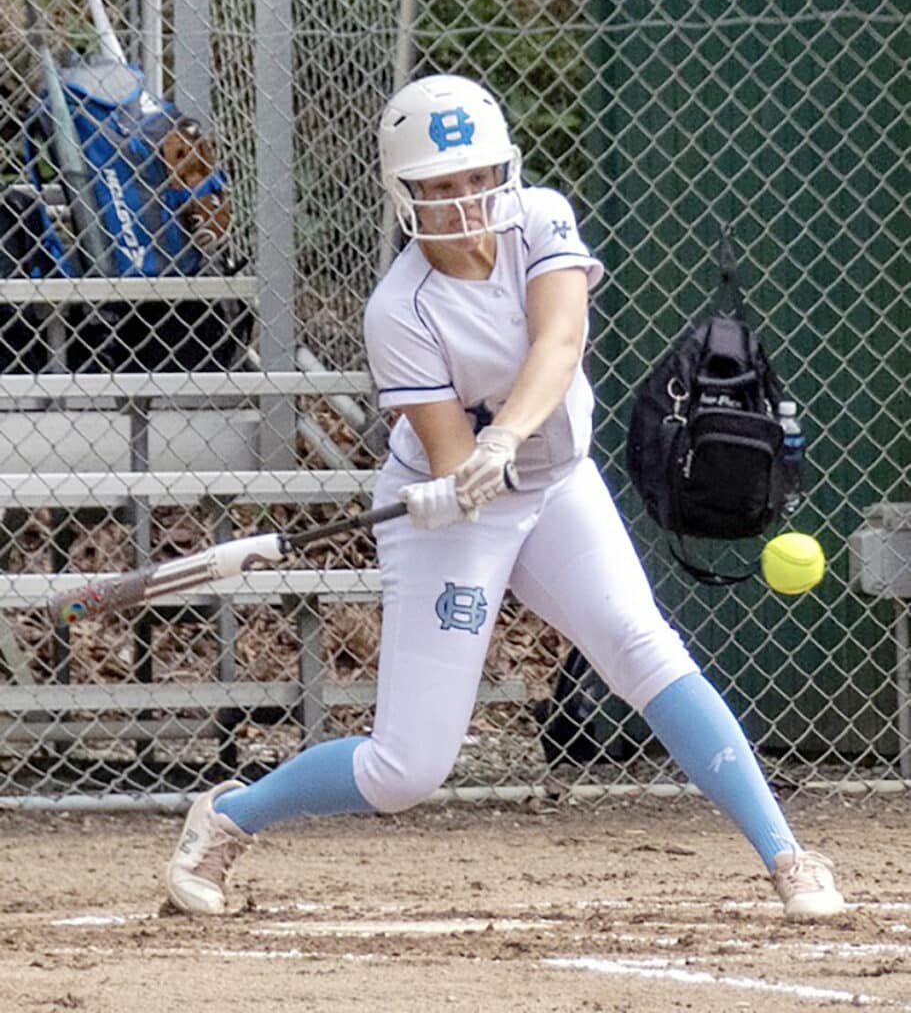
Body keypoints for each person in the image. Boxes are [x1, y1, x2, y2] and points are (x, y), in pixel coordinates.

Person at [165, 73, 845, 921]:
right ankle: (228, 817)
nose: (464, 203)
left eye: (478, 179)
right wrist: (457, 482)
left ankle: (786, 854)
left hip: (555, 484)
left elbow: (558, 340)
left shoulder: (541, 218)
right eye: (440, 188)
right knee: (405, 771)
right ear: (404, 193)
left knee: (643, 646)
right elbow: (451, 455)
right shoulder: (398, 309)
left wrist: (504, 441)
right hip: (451, 518)